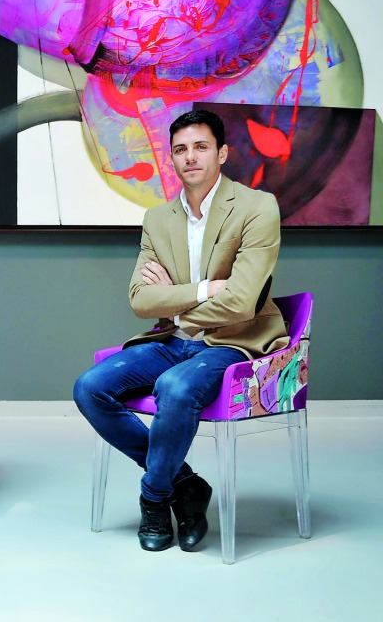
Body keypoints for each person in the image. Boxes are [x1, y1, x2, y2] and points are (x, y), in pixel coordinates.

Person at [73, 108, 289, 553]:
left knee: (175, 387)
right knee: (89, 387)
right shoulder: (158, 219)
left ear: (222, 153)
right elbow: (140, 300)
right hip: (171, 342)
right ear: (171, 158)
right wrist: (208, 288)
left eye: (201, 147)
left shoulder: (256, 207)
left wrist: (177, 305)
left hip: (234, 342)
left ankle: (154, 498)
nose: (190, 157)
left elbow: (243, 301)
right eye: (180, 149)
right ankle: (185, 485)